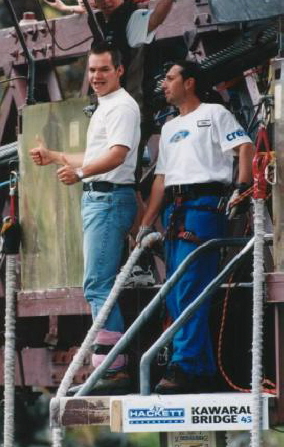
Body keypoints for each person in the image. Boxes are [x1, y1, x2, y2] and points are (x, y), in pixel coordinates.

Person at [137, 60, 255, 394]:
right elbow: (161, 179)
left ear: (189, 83)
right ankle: (198, 368)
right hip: (176, 211)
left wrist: (241, 188)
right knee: (175, 293)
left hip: (204, 207)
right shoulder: (171, 128)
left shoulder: (214, 114)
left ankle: (185, 365)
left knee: (190, 288)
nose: (164, 84)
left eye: (170, 78)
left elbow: (243, 146)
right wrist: (146, 225)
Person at [30, 42, 141, 394]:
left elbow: (116, 157)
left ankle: (112, 366)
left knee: (98, 283)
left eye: (103, 70)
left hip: (108, 198)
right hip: (98, 198)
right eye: (92, 70)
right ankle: (109, 364)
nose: (95, 77)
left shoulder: (122, 106)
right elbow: (95, 155)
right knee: (97, 282)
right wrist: (54, 156)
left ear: (119, 70)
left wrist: (79, 175)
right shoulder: (106, 106)